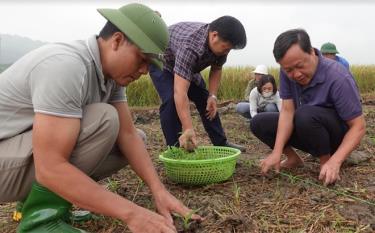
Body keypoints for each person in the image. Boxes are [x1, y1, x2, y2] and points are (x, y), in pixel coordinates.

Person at [0, 3, 202, 233]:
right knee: (104, 120)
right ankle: (39, 222)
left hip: (17, 154)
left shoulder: (111, 77)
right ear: (116, 41)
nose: (145, 71)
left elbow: (127, 135)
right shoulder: (67, 66)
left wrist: (159, 191)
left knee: (136, 137)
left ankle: (37, 203)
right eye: (142, 59)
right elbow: (49, 168)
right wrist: (132, 214)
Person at [250, 29, 365, 186]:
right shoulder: (286, 72)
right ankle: (293, 159)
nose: (296, 74)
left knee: (305, 114)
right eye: (289, 70)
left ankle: (327, 163)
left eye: (299, 66)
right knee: (258, 122)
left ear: (312, 52)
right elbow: (287, 110)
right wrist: (276, 151)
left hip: (337, 137)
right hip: (310, 129)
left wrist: (336, 161)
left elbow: (358, 126)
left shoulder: (338, 77)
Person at [149, 16, 247, 152]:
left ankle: (221, 143)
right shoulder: (190, 46)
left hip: (187, 66)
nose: (227, 52)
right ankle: (175, 150)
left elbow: (217, 68)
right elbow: (180, 92)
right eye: (226, 49)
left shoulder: (220, 45)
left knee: (204, 98)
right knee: (171, 99)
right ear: (214, 36)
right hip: (163, 63)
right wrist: (188, 128)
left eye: (229, 50)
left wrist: (213, 96)